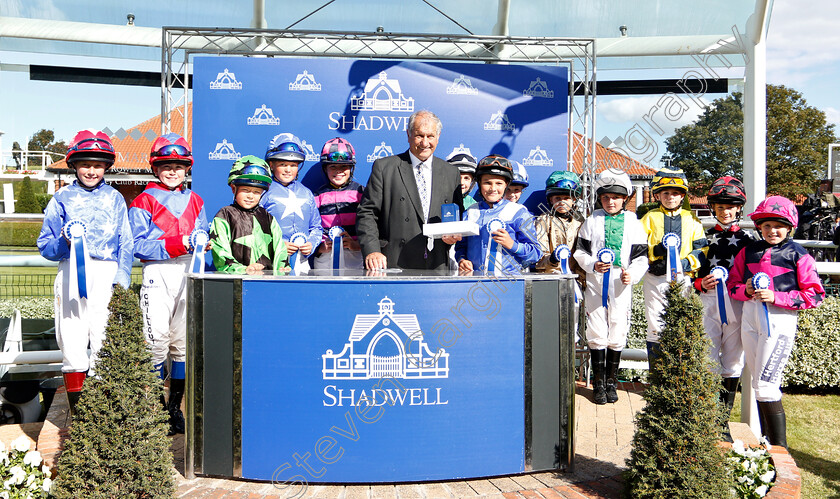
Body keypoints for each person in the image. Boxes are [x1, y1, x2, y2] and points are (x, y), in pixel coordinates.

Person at [37, 130, 133, 413]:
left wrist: (123, 273)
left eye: (98, 165)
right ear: (74, 165)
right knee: (72, 336)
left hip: (105, 272)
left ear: (106, 167)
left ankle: (102, 410)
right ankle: (78, 414)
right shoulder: (61, 197)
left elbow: (124, 240)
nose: (91, 171)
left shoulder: (115, 198)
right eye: (85, 164)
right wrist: (64, 241)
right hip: (70, 273)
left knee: (104, 337)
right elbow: (45, 244)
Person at [727, 196, 825, 448]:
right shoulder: (747, 252)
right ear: (759, 226)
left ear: (790, 226)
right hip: (750, 317)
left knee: (766, 384)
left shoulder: (798, 254)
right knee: (759, 384)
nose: (773, 231)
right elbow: (732, 285)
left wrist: (776, 297)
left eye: (779, 225)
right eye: (767, 225)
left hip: (779, 320)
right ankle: (766, 444)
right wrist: (746, 291)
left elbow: (815, 294)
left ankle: (780, 452)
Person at [128, 133, 207, 435]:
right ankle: (152, 408)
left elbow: (199, 238)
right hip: (157, 274)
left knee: (182, 344)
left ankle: (174, 409)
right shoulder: (143, 199)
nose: (172, 171)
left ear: (187, 167)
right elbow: (138, 245)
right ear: (155, 168)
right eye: (166, 166)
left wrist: (201, 244)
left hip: (187, 272)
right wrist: (178, 243)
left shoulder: (196, 199)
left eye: (178, 165)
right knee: (155, 342)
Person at [574, 169, 648, 404]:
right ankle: (598, 384)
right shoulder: (591, 220)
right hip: (596, 282)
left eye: (615, 197)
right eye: (606, 197)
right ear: (600, 198)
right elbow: (579, 251)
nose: (610, 202)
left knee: (617, 328)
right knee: (596, 330)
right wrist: (593, 264)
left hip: (620, 283)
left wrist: (633, 275)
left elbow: (641, 257)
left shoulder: (633, 223)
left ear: (625, 198)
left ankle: (611, 383)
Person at [356, 110, 463, 270]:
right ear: (408, 134)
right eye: (419, 135)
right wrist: (372, 251)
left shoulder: (451, 172)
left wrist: (454, 234)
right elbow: (367, 213)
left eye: (430, 136)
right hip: (393, 261)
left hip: (437, 263)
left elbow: (457, 214)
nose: (425, 143)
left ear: (438, 136)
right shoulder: (385, 168)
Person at [692, 176, 753, 439]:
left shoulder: (751, 240)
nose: (725, 211)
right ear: (712, 208)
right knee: (707, 359)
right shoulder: (701, 237)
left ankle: (722, 422)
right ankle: (706, 417)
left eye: (730, 206)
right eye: (719, 207)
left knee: (732, 361)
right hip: (708, 303)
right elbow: (688, 271)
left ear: (739, 208)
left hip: (737, 304)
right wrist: (698, 283)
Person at [640, 167, 708, 364]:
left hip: (683, 277)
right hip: (655, 278)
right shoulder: (649, 217)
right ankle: (657, 378)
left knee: (681, 322)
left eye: (675, 193)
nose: (670, 197)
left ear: (682, 196)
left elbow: (701, 250)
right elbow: (638, 247)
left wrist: (684, 263)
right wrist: (657, 251)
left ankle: (678, 374)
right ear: (658, 195)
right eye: (666, 193)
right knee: (655, 324)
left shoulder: (692, 219)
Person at [455, 155, 540, 275]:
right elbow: (461, 246)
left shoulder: (519, 212)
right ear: (479, 183)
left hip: (507, 285)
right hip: (474, 283)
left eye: (499, 183)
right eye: (487, 183)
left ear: (506, 185)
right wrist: (462, 259)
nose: (492, 188)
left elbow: (535, 254)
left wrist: (513, 245)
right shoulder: (469, 212)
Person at [210, 156, 287, 275]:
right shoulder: (225, 215)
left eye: (257, 192)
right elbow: (220, 250)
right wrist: (243, 269)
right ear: (233, 188)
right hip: (237, 281)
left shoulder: (267, 216)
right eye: (245, 190)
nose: (251, 196)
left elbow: (279, 248)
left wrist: (281, 268)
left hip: (266, 281)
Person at [260, 133, 322, 273]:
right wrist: (276, 245)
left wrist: (311, 244)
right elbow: (252, 229)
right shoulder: (262, 192)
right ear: (271, 164)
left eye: (293, 165)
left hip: (302, 264)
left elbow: (316, 227)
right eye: (283, 164)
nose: (288, 170)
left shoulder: (306, 193)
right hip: (270, 263)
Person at [312, 137, 365, 270]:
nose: (338, 171)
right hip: (326, 259)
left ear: (351, 168)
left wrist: (357, 245)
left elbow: (370, 226)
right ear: (325, 168)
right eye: (333, 166)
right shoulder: (317, 195)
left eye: (344, 166)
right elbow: (311, 227)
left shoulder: (361, 192)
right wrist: (319, 248)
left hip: (355, 256)